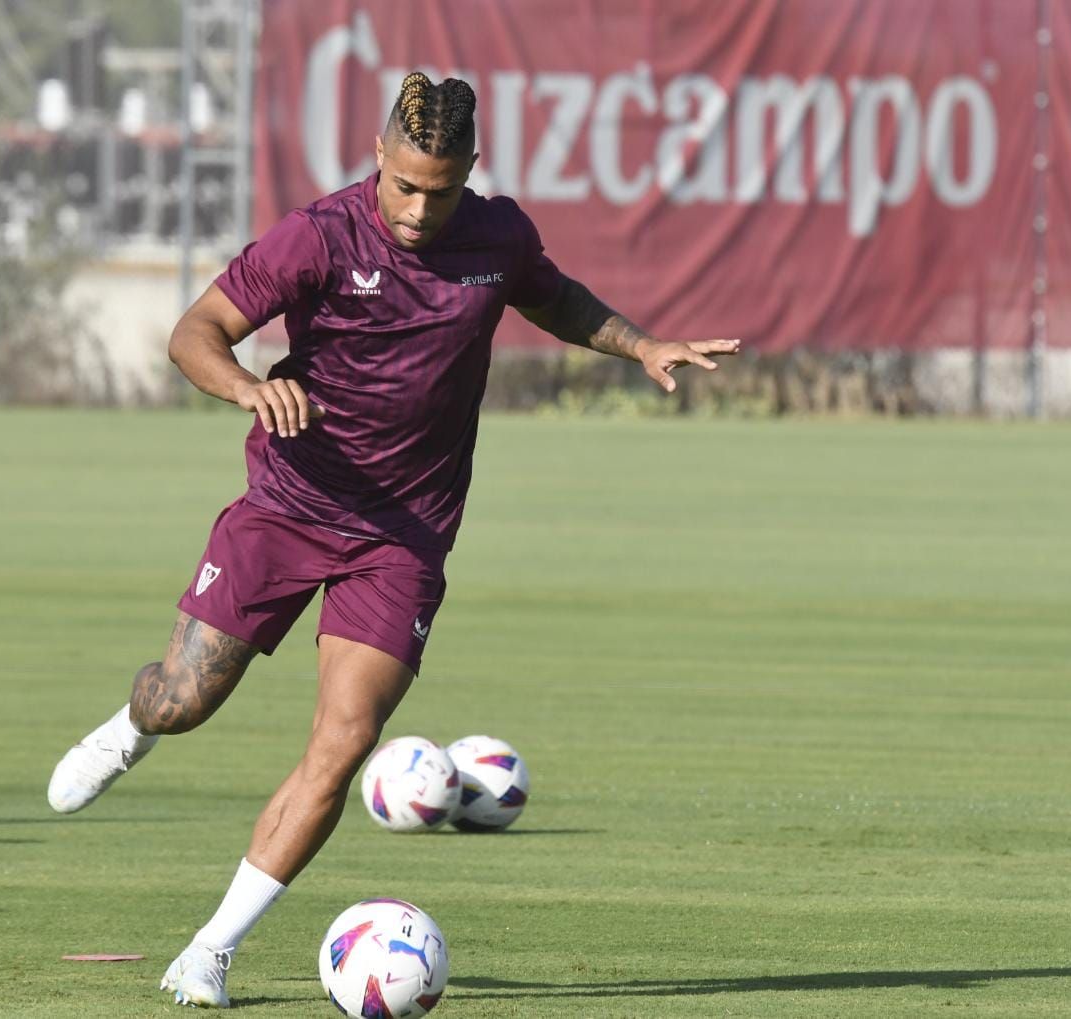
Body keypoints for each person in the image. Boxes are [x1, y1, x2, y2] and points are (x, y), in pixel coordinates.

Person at [46, 71, 740, 1008]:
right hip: (289, 504)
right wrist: (250, 385)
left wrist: (643, 344)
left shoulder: (499, 237)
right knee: (182, 699)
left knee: (344, 741)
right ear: (379, 155)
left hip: (403, 538)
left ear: (471, 174)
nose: (418, 209)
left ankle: (209, 949)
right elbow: (195, 331)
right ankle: (133, 729)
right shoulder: (320, 234)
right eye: (406, 184)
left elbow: (556, 299)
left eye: (441, 190)